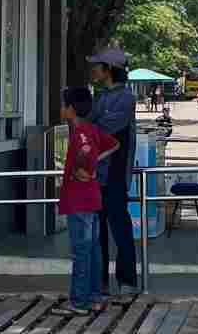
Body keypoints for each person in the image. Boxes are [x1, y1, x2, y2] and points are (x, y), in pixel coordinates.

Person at [59, 86, 119, 316]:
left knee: (81, 251)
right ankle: (95, 297)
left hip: (79, 200)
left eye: (64, 104)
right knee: (92, 250)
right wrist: (95, 164)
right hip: (91, 198)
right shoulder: (91, 129)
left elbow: (81, 167)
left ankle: (78, 301)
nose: (62, 108)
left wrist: (86, 169)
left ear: (71, 109)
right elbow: (114, 144)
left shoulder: (80, 133)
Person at [87, 46, 140, 297]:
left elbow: (103, 128)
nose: (93, 69)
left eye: (97, 65)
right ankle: (100, 282)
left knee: (120, 228)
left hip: (116, 174)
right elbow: (90, 127)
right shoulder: (99, 97)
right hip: (96, 174)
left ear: (108, 70)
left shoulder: (126, 98)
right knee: (96, 231)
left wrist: (93, 125)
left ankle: (127, 280)